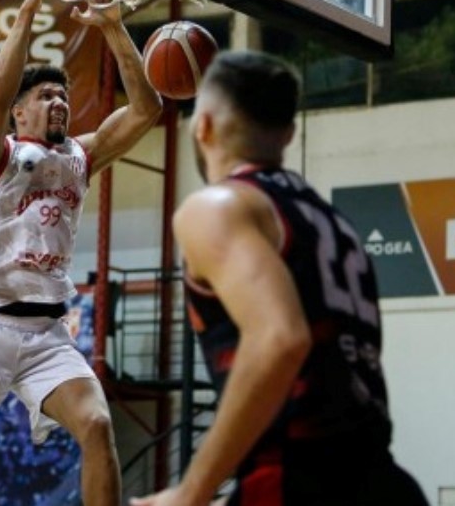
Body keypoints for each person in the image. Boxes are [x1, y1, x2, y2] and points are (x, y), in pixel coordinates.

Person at [133, 51, 426, 506]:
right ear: (288, 133)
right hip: (384, 481)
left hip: (298, 477)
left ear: (203, 126)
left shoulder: (218, 206)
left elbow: (281, 339)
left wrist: (191, 492)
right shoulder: (333, 221)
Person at [0, 0, 162, 506]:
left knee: (97, 423)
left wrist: (111, 27)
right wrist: (31, 6)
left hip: (45, 335)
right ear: (20, 111)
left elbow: (147, 109)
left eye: (63, 95)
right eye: (44, 96)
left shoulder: (79, 157)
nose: (58, 102)